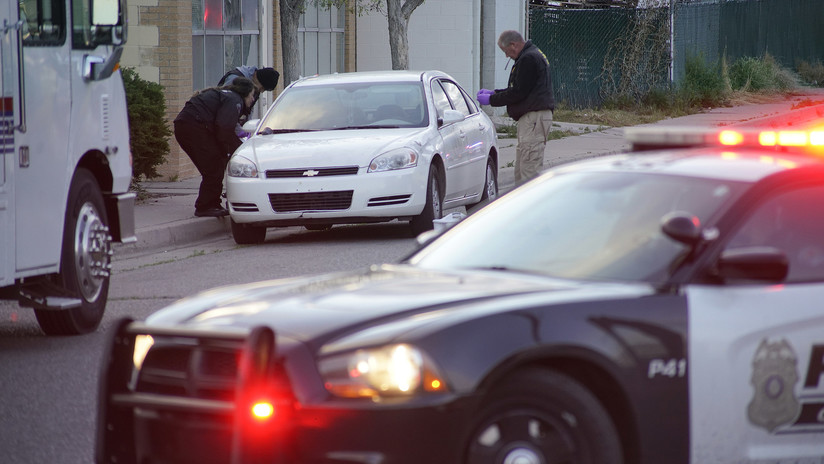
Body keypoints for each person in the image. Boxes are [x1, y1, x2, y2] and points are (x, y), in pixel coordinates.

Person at [477, 30, 555, 186]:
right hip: (532, 119)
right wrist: (495, 93)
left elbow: (519, 92)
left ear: (513, 45)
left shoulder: (528, 59)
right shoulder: (531, 55)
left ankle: (531, 209)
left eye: (506, 51)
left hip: (533, 119)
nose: (507, 56)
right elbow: (520, 87)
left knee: (528, 172)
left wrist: (492, 99)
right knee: (521, 170)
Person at [174, 77, 256, 217]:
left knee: (215, 163)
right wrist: (239, 151)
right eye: (252, 95)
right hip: (194, 127)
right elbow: (224, 128)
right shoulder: (234, 100)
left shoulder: (226, 96)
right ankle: (205, 206)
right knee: (214, 165)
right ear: (245, 94)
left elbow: (224, 129)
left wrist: (228, 150)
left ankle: (212, 204)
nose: (253, 99)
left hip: (186, 126)